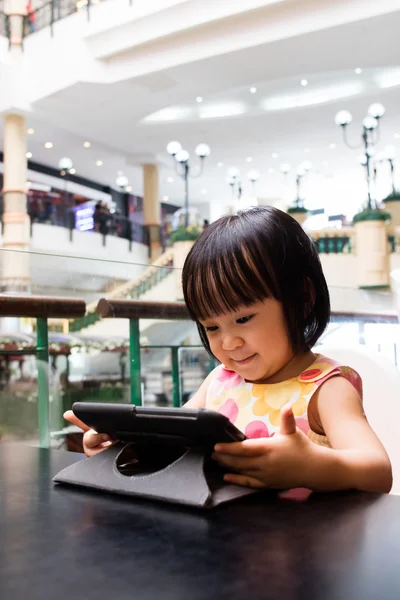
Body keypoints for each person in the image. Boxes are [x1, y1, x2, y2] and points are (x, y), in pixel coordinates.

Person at [64, 207, 392, 493]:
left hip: (304, 548)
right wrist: (122, 447)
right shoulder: (220, 380)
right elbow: (174, 443)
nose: (228, 342)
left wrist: (311, 466)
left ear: (302, 300)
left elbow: (378, 471)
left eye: (243, 318)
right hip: (227, 545)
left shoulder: (327, 388)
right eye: (211, 327)